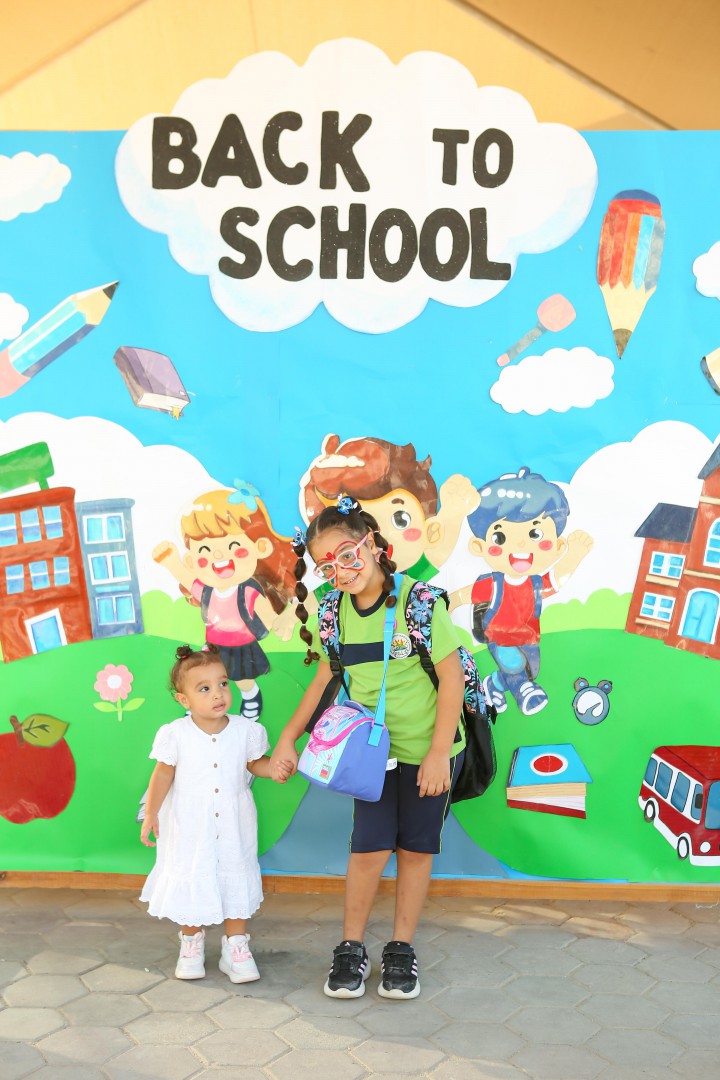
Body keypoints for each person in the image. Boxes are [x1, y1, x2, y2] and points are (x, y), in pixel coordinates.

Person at [270, 497, 466, 1000]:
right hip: (370, 758)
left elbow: (452, 680)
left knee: (415, 850)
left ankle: (401, 948)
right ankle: (351, 947)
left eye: (347, 555)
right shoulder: (332, 613)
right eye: (327, 566)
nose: (341, 571)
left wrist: (439, 753)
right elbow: (324, 680)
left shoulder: (418, 603)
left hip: (428, 752)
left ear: (373, 544)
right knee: (368, 850)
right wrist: (289, 736)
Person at [140, 644, 291, 983]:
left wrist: (274, 769)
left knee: (235, 875)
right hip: (190, 825)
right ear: (184, 699)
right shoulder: (175, 734)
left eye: (223, 683)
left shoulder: (245, 730)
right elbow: (162, 774)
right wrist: (151, 813)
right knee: (194, 874)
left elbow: (255, 763)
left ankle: (235, 946)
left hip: (234, 823)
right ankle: (191, 942)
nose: (218, 694)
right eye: (204, 688)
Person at [449, 466, 593, 715]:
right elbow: (462, 596)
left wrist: (575, 555)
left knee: (531, 670)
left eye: (535, 533)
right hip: (500, 637)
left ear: (558, 546)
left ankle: (494, 684)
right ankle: (525, 693)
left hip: (528, 638)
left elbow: (557, 580)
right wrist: (441, 609)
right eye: (500, 538)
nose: (521, 544)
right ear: (479, 546)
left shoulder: (535, 584)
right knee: (514, 665)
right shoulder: (494, 584)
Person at [153, 484, 296, 722]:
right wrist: (171, 562)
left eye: (233, 546)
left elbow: (267, 614)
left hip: (242, 645)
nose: (218, 556)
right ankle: (201, 702)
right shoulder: (208, 592)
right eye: (205, 550)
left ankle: (250, 695)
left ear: (259, 548)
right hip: (214, 645)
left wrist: (281, 622)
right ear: (192, 560)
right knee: (208, 677)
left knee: (242, 678)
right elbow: (189, 580)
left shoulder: (248, 590)